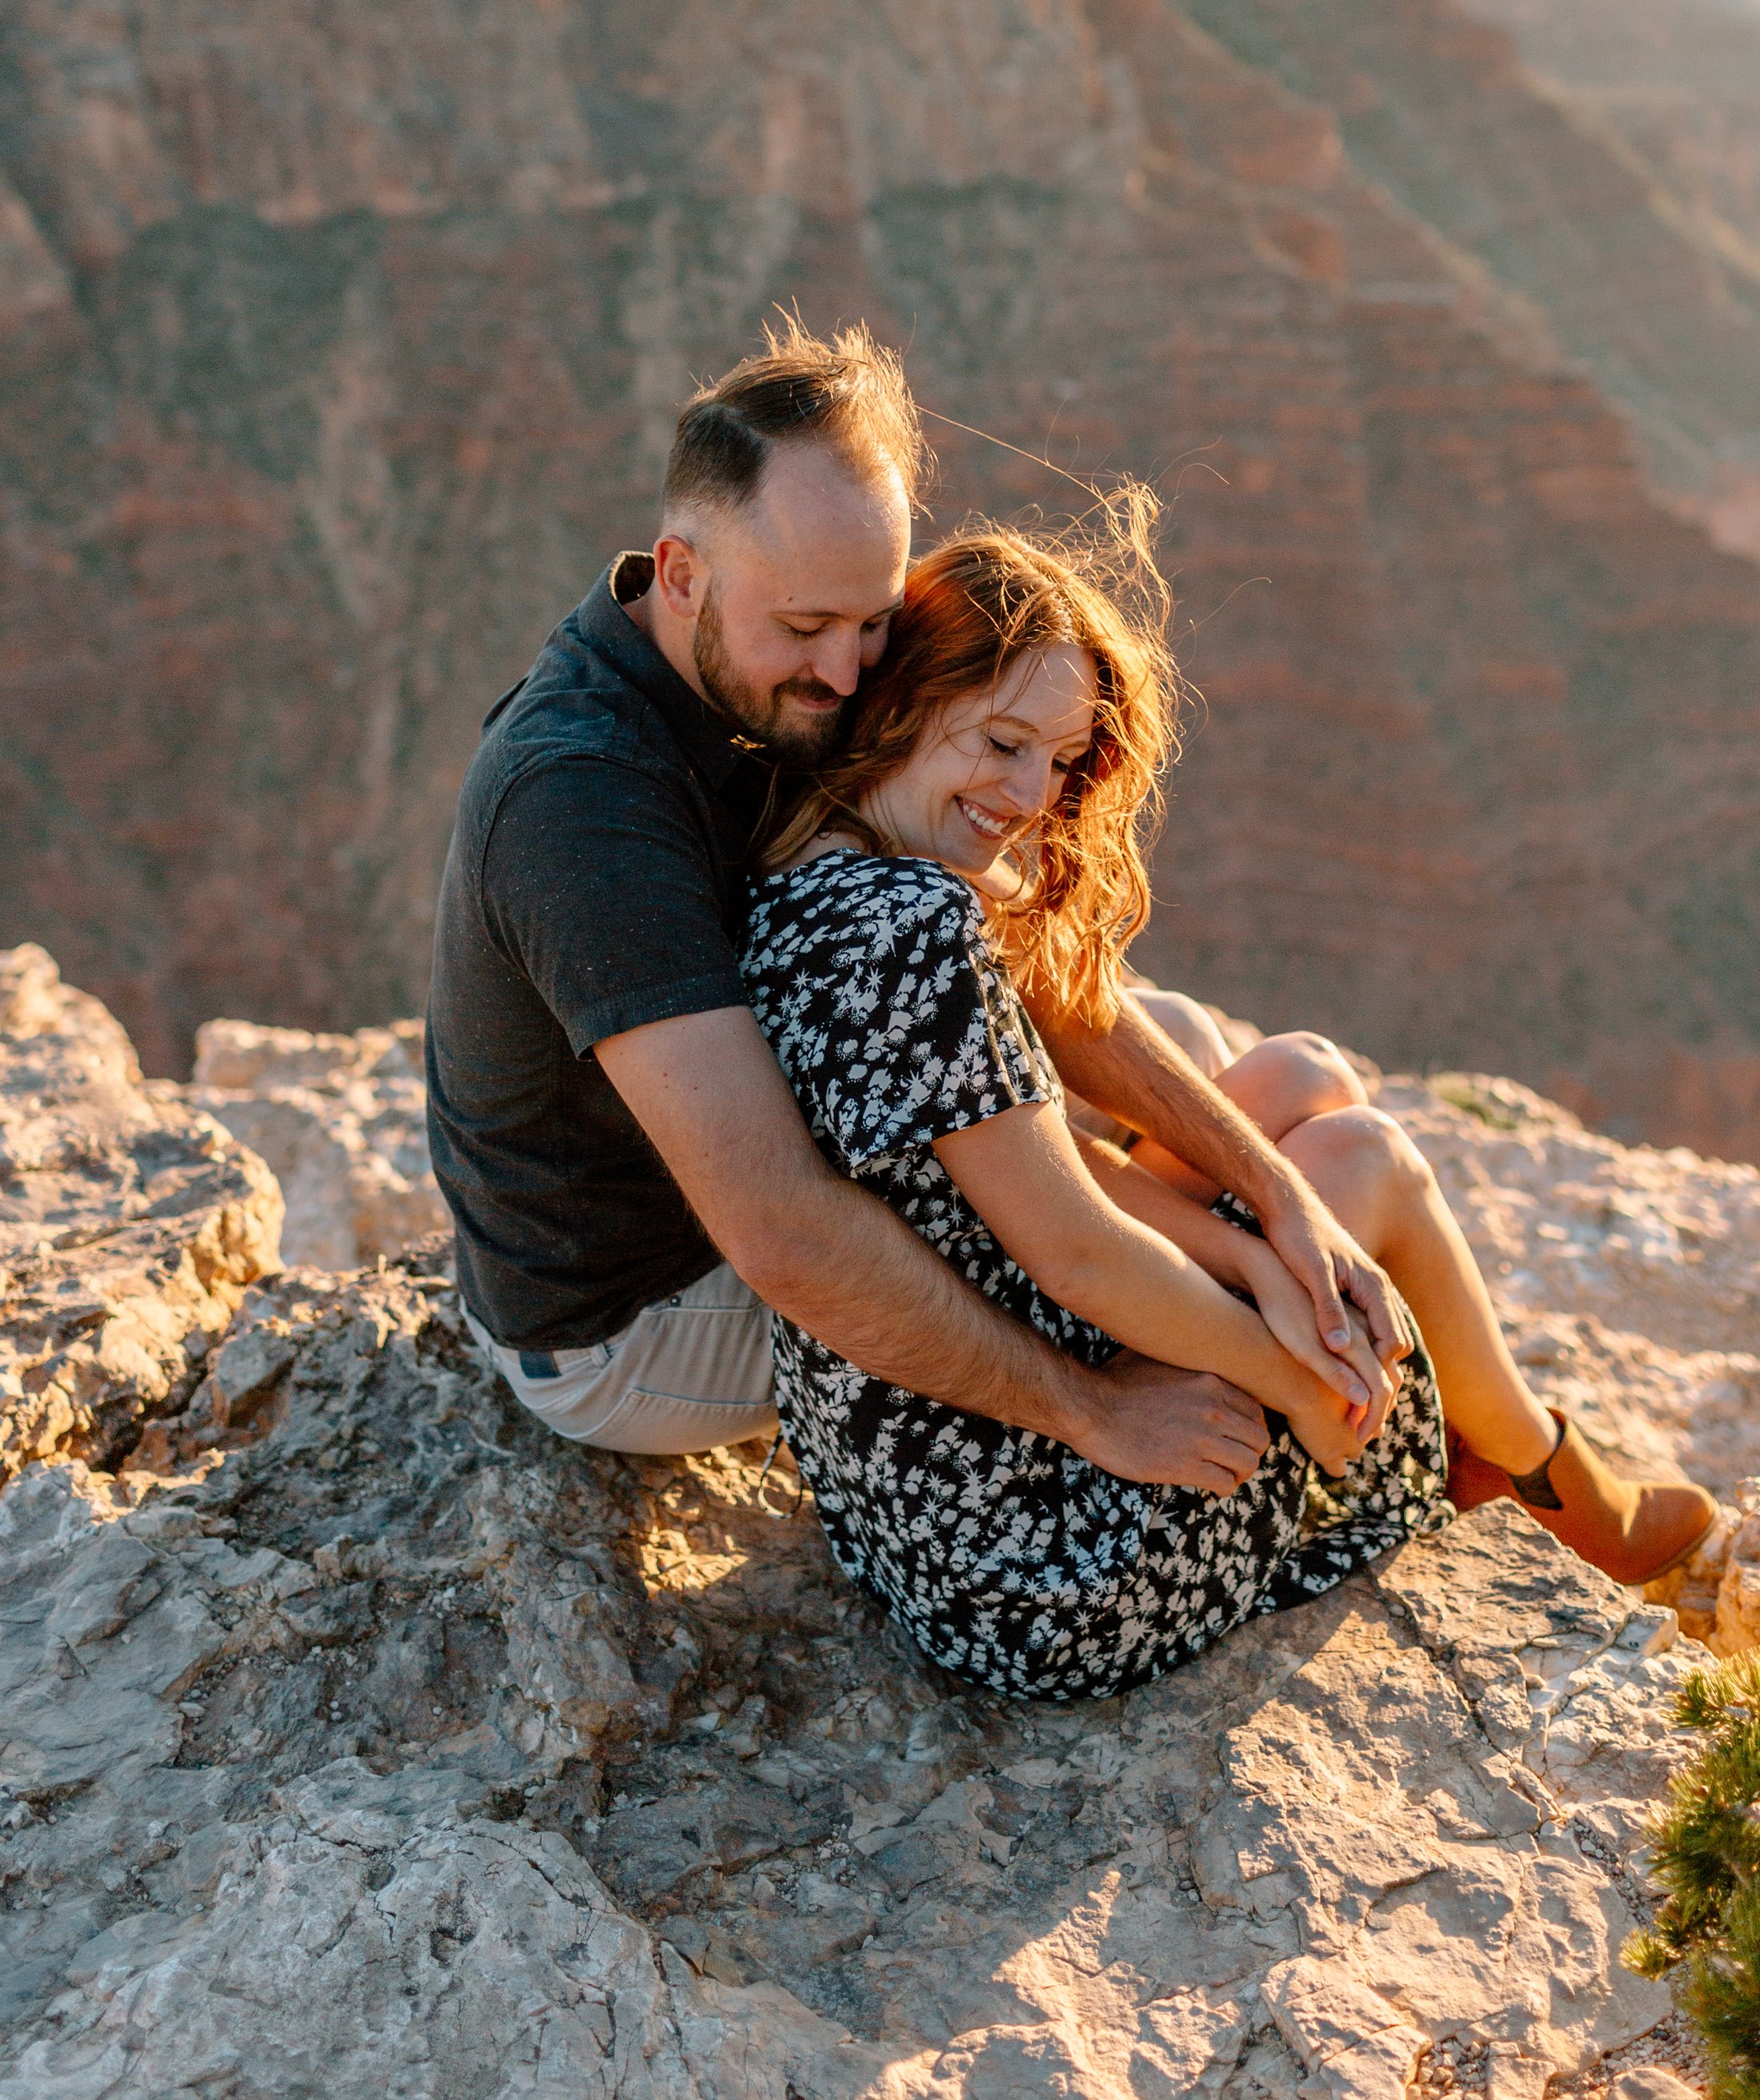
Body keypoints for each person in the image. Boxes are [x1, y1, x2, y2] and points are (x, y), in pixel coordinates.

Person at [736, 504, 1718, 1697]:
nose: (1027, 796)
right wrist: (1296, 1378)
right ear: (903, 700)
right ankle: (1536, 1465)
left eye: (1055, 761)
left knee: (1297, 1080)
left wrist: (1261, 1234)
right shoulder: (913, 930)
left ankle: (1517, 1447)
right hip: (1040, 1564)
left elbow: (1001, 1163)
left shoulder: (813, 857)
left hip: (915, 1509)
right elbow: (1080, 1255)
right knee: (1367, 1158)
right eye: (999, 742)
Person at [424, 319, 1415, 1488]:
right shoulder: (582, 799)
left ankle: (1346, 1326)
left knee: (1201, 1064)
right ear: (680, 571)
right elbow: (787, 1234)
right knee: (1124, 1216)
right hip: (627, 1325)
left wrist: (1273, 1188)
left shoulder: (766, 670)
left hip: (744, 1196)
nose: (849, 676)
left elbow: (1050, 987)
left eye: (875, 620)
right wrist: (1091, 1406)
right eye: (806, 628)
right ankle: (1426, 1433)